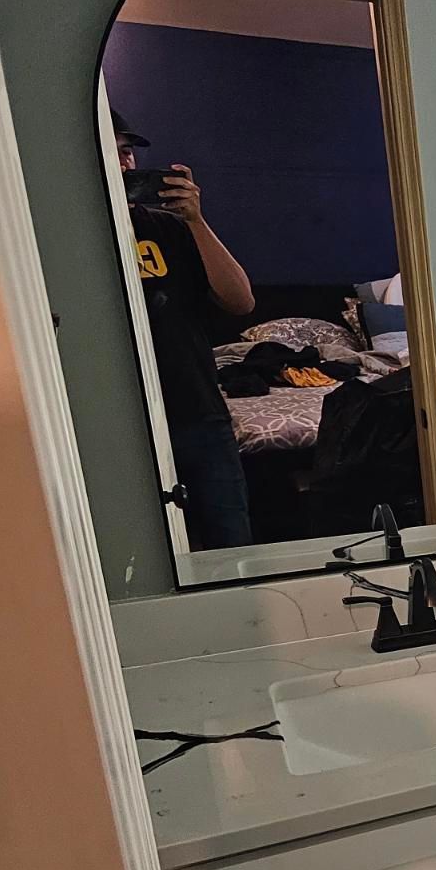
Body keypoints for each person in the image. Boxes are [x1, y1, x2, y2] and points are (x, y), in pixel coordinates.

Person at [114, 109, 257, 549]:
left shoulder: (170, 228)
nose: (125, 164)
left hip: (197, 410)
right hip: (118, 422)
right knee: (141, 549)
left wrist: (196, 220)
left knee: (230, 545)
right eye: (113, 152)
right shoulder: (67, 233)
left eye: (128, 154)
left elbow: (241, 302)